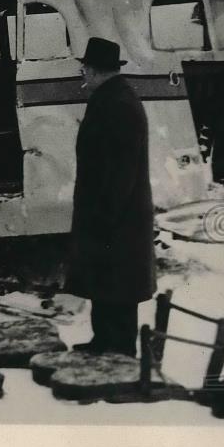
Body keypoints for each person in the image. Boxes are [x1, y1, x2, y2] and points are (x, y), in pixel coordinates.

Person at [65, 37, 156, 357]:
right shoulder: (111, 98)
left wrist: (104, 217)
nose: (82, 74)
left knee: (117, 284)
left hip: (118, 215)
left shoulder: (117, 104)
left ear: (93, 69)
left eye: (84, 68)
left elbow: (121, 172)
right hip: (113, 213)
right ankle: (103, 341)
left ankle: (118, 351)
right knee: (106, 281)